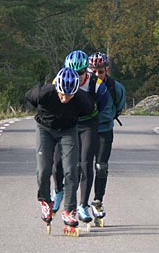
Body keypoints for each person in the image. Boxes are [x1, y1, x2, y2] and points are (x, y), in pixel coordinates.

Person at [25, 67, 93, 236]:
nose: (64, 99)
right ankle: (45, 201)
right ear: (56, 89)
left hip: (68, 131)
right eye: (61, 94)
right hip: (44, 129)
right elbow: (28, 98)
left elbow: (89, 114)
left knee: (71, 169)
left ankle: (69, 210)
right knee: (44, 169)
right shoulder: (43, 93)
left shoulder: (82, 101)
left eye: (68, 95)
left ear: (76, 91)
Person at [51, 50, 110, 225]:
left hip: (88, 124)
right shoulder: (59, 80)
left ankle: (83, 204)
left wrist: (88, 113)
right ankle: (58, 190)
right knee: (57, 162)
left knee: (85, 164)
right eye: (72, 72)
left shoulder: (96, 84)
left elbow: (103, 103)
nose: (76, 76)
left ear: (87, 71)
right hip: (67, 123)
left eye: (80, 73)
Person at [88, 52, 126, 227]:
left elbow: (118, 107)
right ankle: (79, 204)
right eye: (93, 71)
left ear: (107, 70)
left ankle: (97, 201)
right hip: (85, 130)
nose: (97, 75)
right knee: (82, 167)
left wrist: (107, 118)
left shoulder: (115, 87)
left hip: (104, 130)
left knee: (101, 167)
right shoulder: (84, 86)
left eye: (100, 72)